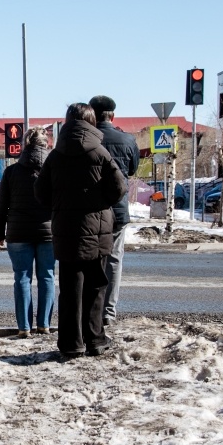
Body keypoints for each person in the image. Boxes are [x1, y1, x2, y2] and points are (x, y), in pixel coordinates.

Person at [35, 103, 127, 360]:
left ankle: (70, 343)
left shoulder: (55, 155)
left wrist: (60, 205)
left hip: (66, 230)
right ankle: (95, 340)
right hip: (97, 230)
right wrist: (99, 203)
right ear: (91, 122)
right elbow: (119, 187)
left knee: (70, 288)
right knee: (96, 286)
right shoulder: (99, 152)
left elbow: (40, 193)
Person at [0, 127, 55, 338]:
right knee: (47, 276)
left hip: (18, 233)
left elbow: (1, 206)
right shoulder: (54, 169)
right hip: (49, 232)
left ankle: (24, 328)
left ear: (25, 144)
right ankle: (44, 325)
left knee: (22, 278)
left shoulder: (11, 172)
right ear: (46, 143)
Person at [90, 95, 140, 327]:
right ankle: (109, 313)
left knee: (92, 260)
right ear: (113, 115)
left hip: (91, 211)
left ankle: (92, 311)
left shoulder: (88, 140)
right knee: (114, 261)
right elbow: (131, 170)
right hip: (118, 211)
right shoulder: (127, 140)